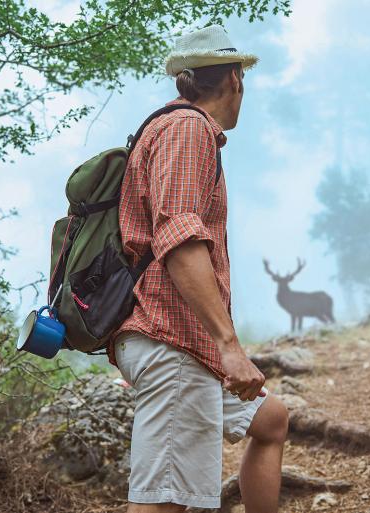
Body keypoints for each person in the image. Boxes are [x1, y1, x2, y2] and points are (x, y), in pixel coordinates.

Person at [108, 25, 288, 513]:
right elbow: (180, 238)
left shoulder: (172, 128)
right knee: (165, 502)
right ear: (234, 79)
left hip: (184, 341)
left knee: (270, 420)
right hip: (172, 342)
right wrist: (230, 347)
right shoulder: (188, 130)